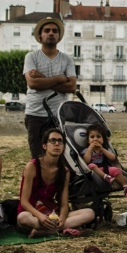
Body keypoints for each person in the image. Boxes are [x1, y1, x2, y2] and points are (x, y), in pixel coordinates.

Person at [17, 128, 94, 237]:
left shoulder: (64, 171)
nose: (57, 144)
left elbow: (64, 203)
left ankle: (46, 231)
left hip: (51, 212)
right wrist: (41, 217)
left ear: (63, 147)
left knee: (89, 213)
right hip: (33, 212)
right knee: (23, 218)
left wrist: (62, 218)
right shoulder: (32, 166)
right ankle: (58, 229)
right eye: (52, 141)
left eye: (60, 141)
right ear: (45, 146)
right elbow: (24, 201)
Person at [23, 17, 77, 159]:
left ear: (59, 37)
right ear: (40, 36)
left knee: (59, 157)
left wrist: (43, 78)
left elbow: (71, 86)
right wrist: (60, 78)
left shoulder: (67, 59)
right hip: (35, 115)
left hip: (58, 115)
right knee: (37, 157)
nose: (51, 33)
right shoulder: (31, 57)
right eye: (47, 31)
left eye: (54, 31)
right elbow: (33, 84)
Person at [81, 123, 127, 191]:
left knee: (116, 170)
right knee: (91, 165)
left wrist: (102, 150)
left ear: (103, 139)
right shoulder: (87, 150)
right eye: (92, 137)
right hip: (95, 171)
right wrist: (89, 148)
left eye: (98, 136)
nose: (95, 139)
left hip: (105, 167)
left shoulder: (105, 149)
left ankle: (125, 185)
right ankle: (106, 177)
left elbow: (113, 157)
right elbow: (86, 160)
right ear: (88, 140)